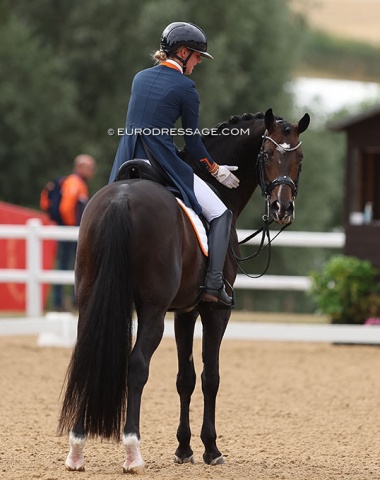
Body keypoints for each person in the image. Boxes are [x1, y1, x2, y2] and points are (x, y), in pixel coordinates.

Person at [109, 22, 239, 308]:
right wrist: (216, 169)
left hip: (126, 160)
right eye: (196, 56)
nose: (197, 63)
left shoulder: (139, 78)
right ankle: (214, 286)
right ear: (182, 52)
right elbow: (192, 142)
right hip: (161, 161)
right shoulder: (186, 87)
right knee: (220, 212)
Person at [54, 154, 96, 310]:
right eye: (90, 167)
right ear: (80, 167)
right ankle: (61, 301)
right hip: (70, 231)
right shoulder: (74, 183)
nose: (93, 171)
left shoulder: (79, 183)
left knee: (70, 265)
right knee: (67, 264)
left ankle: (71, 299)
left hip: (72, 231)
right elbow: (65, 208)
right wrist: (74, 227)